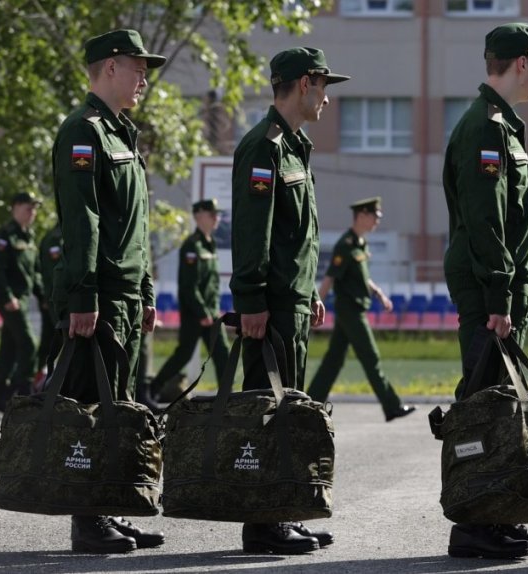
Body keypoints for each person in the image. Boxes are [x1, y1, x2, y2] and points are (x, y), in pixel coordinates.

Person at [441, 22, 528, 560]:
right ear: (522, 64)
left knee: (502, 408)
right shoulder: (486, 129)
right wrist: (498, 298)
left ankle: (500, 514)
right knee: (484, 407)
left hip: (505, 295)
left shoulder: (504, 128)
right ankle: (473, 524)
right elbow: (486, 221)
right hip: (490, 295)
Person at [51, 28, 165, 554]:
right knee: (91, 408)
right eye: (136, 66)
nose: (144, 76)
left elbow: (134, 225)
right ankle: (87, 519)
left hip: (122, 295)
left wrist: (144, 291)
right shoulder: (84, 130)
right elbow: (84, 221)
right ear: (108, 67)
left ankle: (110, 508)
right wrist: (83, 295)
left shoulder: (122, 133)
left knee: (117, 405)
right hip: (97, 296)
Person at [230, 46, 347, 555]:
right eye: (323, 87)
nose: (326, 98)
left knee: (288, 412)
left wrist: (309, 290)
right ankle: (261, 523)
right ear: (304, 84)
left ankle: (279, 513)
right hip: (269, 308)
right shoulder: (265, 146)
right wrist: (251, 298)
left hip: (291, 303)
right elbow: (253, 233)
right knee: (265, 413)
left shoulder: (295, 146)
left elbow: (294, 236)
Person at [306, 197, 415, 421]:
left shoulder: (360, 244)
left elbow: (363, 278)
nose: (376, 220)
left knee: (333, 360)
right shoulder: (345, 245)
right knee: (371, 357)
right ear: (362, 216)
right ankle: (392, 405)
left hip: (355, 309)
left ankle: (310, 404)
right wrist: (315, 307)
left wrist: (379, 293)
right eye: (374, 216)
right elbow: (329, 279)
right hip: (350, 311)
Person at [148, 199, 230, 405]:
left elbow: (210, 284)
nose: (215, 218)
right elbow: (189, 286)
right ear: (198, 216)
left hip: (210, 313)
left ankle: (227, 399)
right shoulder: (192, 246)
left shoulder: (209, 243)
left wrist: (212, 311)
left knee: (223, 355)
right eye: (211, 214)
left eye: (216, 214)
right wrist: (203, 313)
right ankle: (153, 389)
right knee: (183, 354)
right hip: (196, 315)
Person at [0, 192, 44, 411]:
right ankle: (22, 392)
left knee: (8, 348)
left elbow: (35, 274)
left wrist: (43, 298)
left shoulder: (29, 236)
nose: (32, 212)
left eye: (34, 209)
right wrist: (9, 297)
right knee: (29, 343)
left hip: (23, 298)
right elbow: (0, 272)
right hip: (9, 299)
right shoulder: (6, 235)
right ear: (15, 207)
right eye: (28, 208)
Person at [35, 221, 63, 388]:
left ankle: (43, 382)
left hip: (57, 300)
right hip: (57, 301)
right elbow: (53, 274)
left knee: (50, 342)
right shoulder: (55, 238)